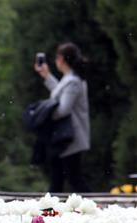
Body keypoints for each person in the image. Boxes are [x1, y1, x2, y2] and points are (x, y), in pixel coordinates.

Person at [35, 42, 90, 193]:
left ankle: (94, 204)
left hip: (70, 137)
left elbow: (64, 109)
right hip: (66, 137)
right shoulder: (71, 79)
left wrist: (44, 116)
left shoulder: (73, 81)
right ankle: (52, 205)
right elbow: (60, 92)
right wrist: (46, 76)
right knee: (60, 177)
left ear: (62, 59)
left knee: (72, 178)